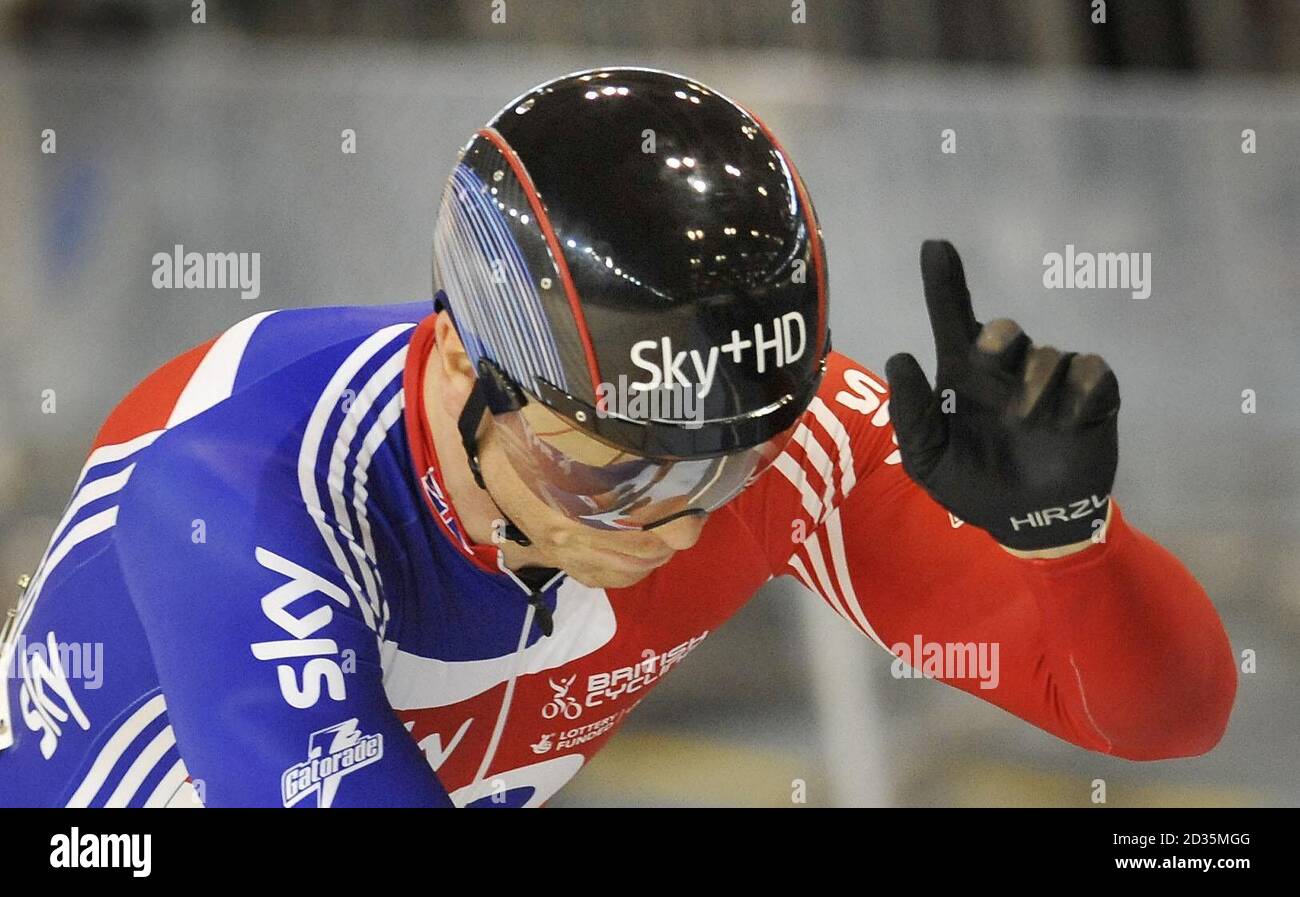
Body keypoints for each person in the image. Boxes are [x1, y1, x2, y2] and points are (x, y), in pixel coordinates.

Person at [0, 67, 1235, 808]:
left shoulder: (761, 437)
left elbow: (1163, 721)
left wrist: (1069, 546)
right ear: (463, 363)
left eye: (729, 464)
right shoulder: (233, 491)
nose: (674, 523)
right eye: (607, 472)